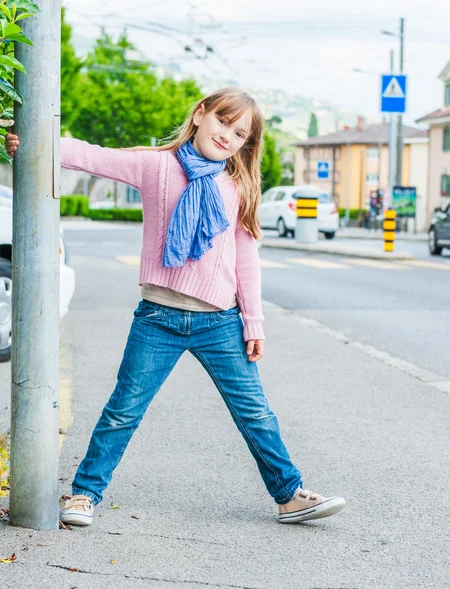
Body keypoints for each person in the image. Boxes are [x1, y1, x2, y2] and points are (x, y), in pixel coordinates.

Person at [6, 87, 346, 526]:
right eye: (223, 122)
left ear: (246, 143)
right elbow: (94, 156)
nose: (227, 136)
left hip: (220, 321)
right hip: (158, 318)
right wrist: (34, 141)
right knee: (123, 410)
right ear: (201, 114)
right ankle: (84, 494)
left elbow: (245, 258)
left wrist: (254, 321)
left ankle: (288, 495)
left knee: (255, 412)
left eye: (240, 133)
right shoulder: (157, 167)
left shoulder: (236, 186)